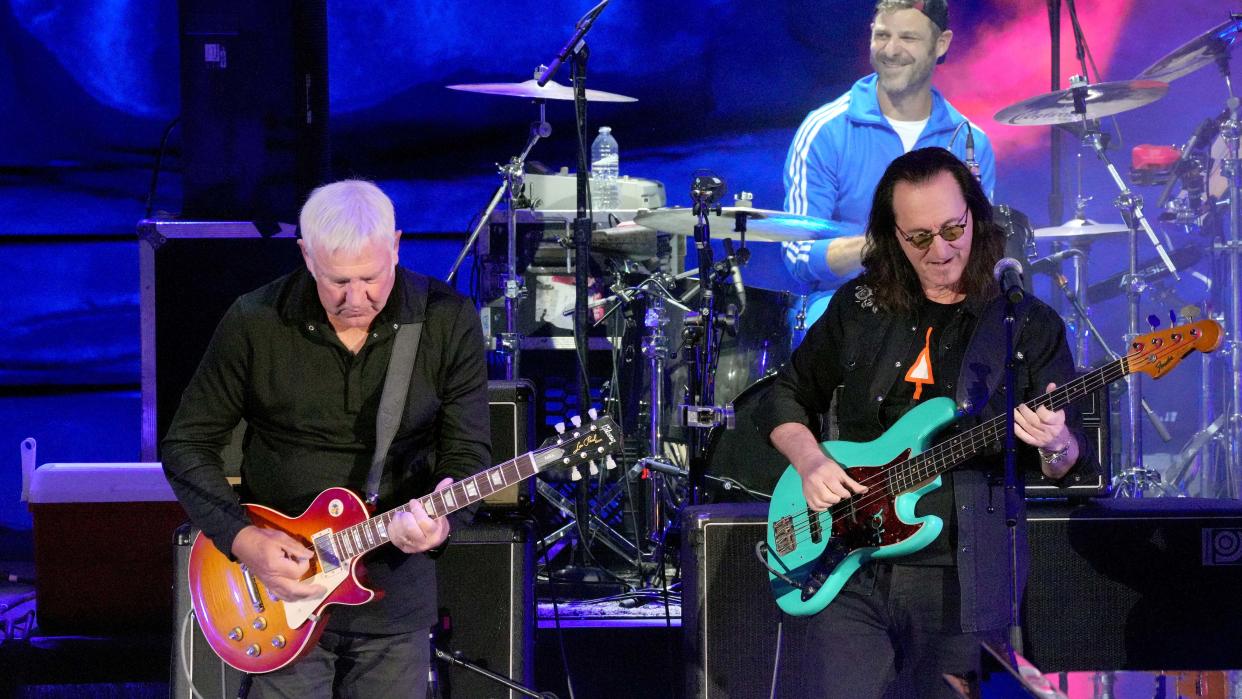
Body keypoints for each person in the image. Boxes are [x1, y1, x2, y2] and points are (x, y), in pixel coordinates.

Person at [758, 148, 1093, 698]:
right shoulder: (859, 306)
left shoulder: (1025, 324)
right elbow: (785, 395)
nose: (940, 250)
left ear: (976, 218)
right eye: (919, 238)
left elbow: (1067, 461)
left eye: (953, 228)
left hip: (963, 577)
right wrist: (810, 460)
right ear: (893, 236)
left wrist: (1056, 444)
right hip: (847, 569)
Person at [162, 179, 490, 697]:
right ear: (306, 257)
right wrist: (242, 538)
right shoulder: (255, 320)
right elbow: (185, 444)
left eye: (371, 278)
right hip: (277, 592)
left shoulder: (447, 320)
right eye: (337, 281)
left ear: (397, 245)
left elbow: (468, 451)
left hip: (393, 593)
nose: (355, 298)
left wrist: (441, 521)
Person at [782, 0, 996, 315]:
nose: (891, 50)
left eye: (908, 38)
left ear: (941, 44)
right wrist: (886, 246)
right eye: (882, 36)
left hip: (941, 307)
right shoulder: (824, 131)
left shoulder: (972, 142)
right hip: (846, 306)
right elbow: (798, 255)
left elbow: (979, 248)